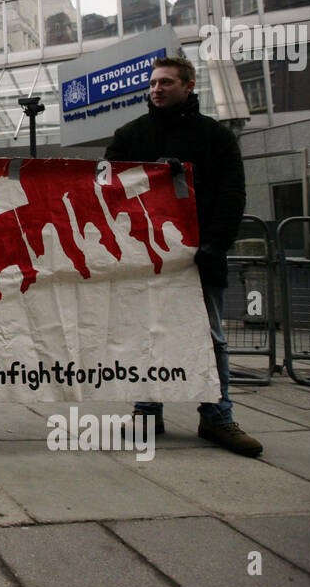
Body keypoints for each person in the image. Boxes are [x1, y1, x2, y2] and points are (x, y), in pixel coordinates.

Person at [105, 56, 262, 457]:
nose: (157, 89)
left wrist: (214, 246)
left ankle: (217, 415)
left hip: (200, 255)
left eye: (167, 83)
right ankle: (146, 410)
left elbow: (232, 195)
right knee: (148, 332)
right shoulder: (130, 135)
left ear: (189, 86)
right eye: (154, 83)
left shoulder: (215, 137)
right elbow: (106, 189)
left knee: (211, 338)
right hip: (147, 256)